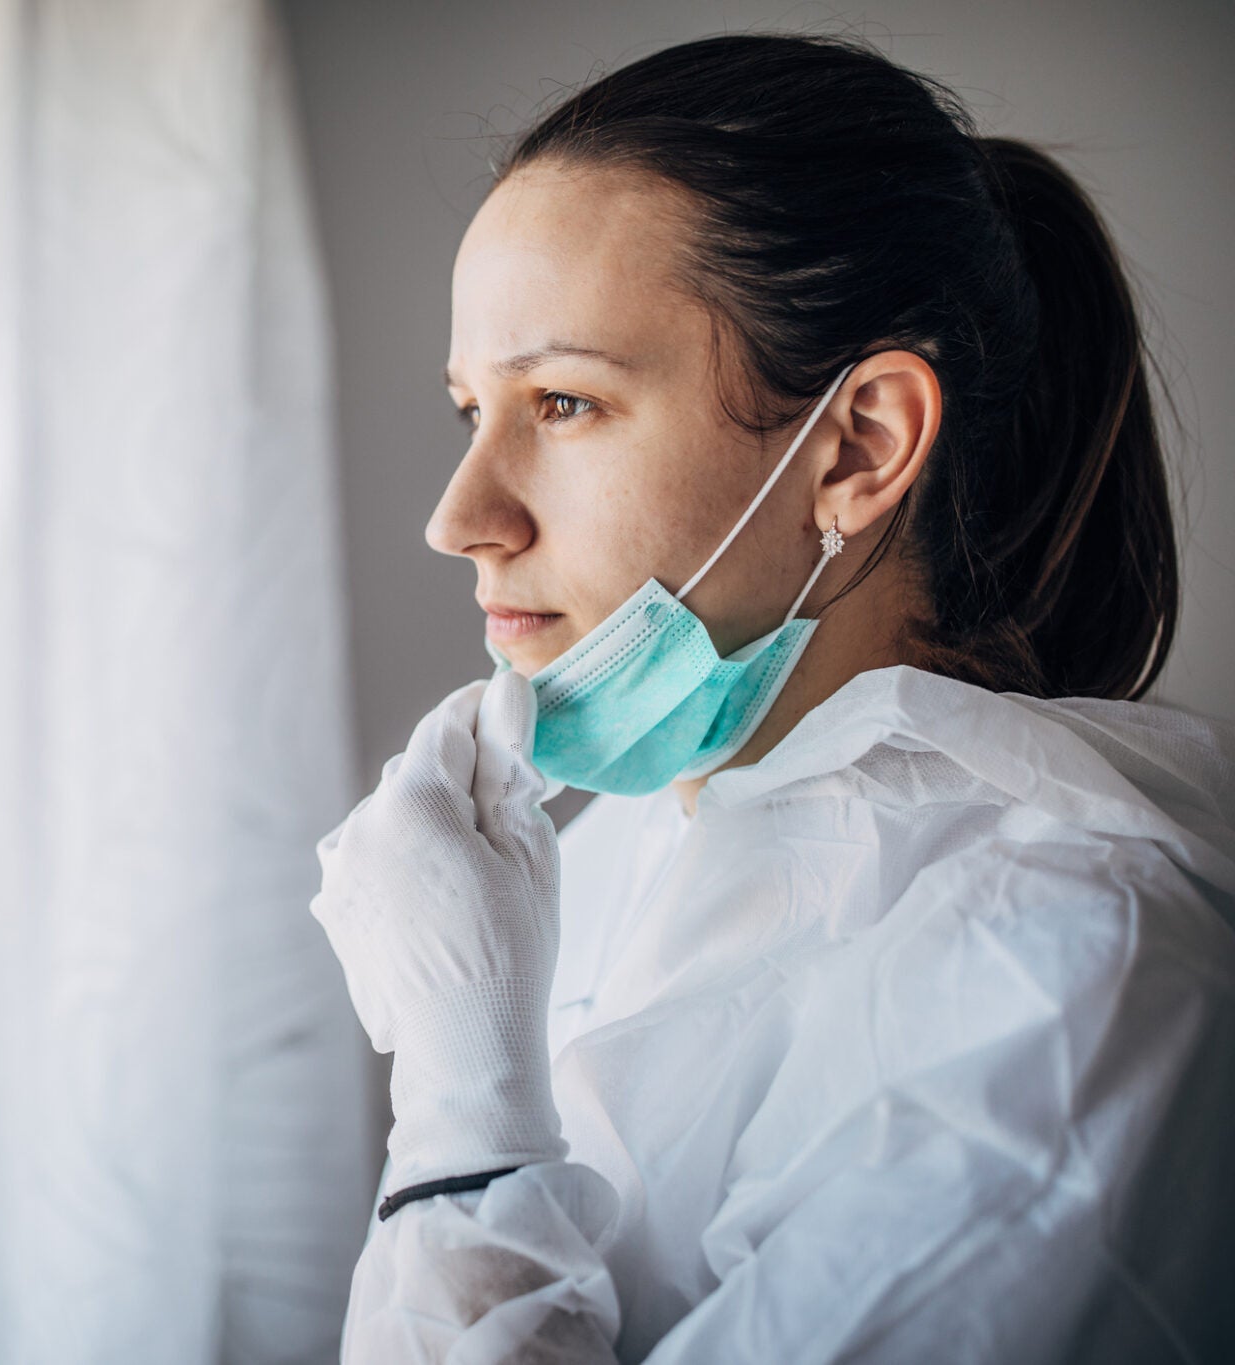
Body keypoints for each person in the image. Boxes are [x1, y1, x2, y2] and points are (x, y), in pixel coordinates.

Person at [307, 32, 1235, 1363]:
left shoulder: (1068, 990)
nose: (461, 519)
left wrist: (465, 1116)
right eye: (473, 408)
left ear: (858, 445)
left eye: (564, 401)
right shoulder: (637, 848)